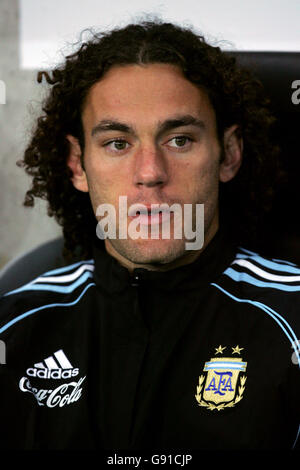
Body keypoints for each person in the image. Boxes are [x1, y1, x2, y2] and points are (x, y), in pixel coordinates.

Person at [0, 20, 299, 451]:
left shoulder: (293, 323)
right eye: (117, 143)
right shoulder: (13, 328)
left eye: (179, 140)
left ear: (228, 155)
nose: (150, 174)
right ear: (77, 165)